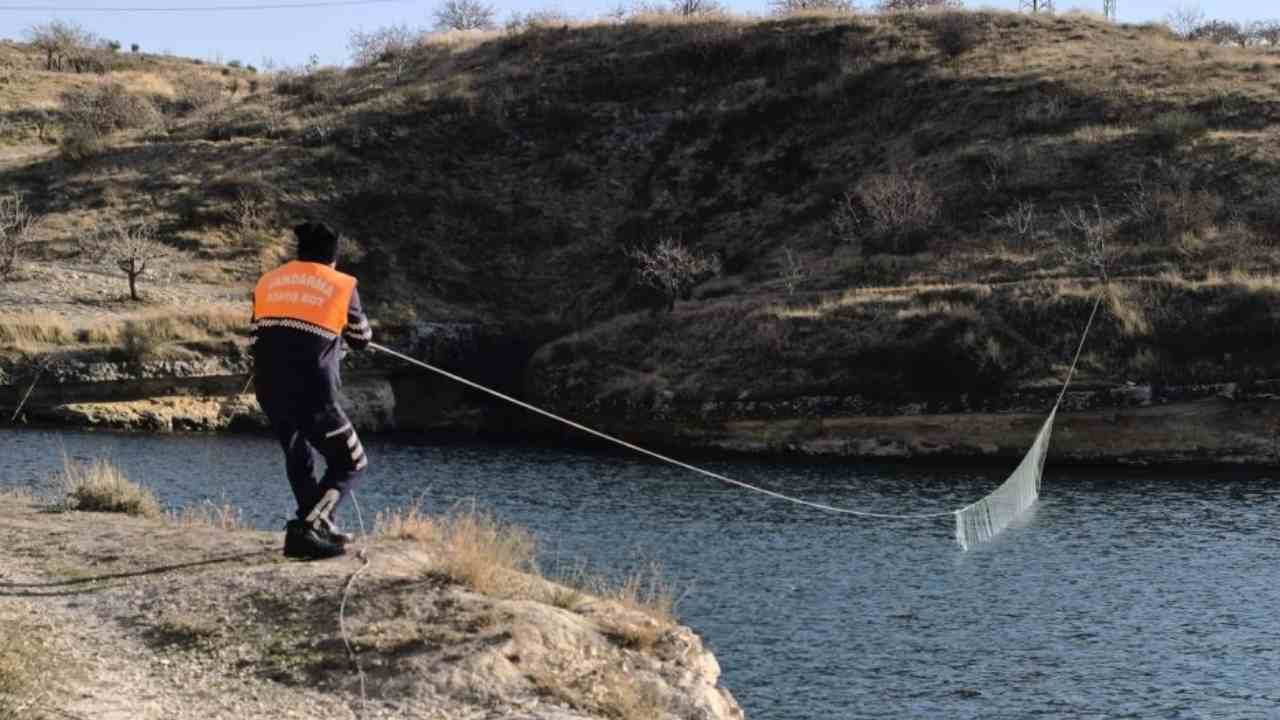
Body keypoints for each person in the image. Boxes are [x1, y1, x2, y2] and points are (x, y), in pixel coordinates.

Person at [250, 221, 373, 560]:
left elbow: (256, 333)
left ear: (299, 253)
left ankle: (315, 526)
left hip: (268, 386)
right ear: (333, 258)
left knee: (298, 455)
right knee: (352, 461)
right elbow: (361, 339)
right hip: (313, 392)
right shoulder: (342, 284)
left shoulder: (269, 281)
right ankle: (310, 527)